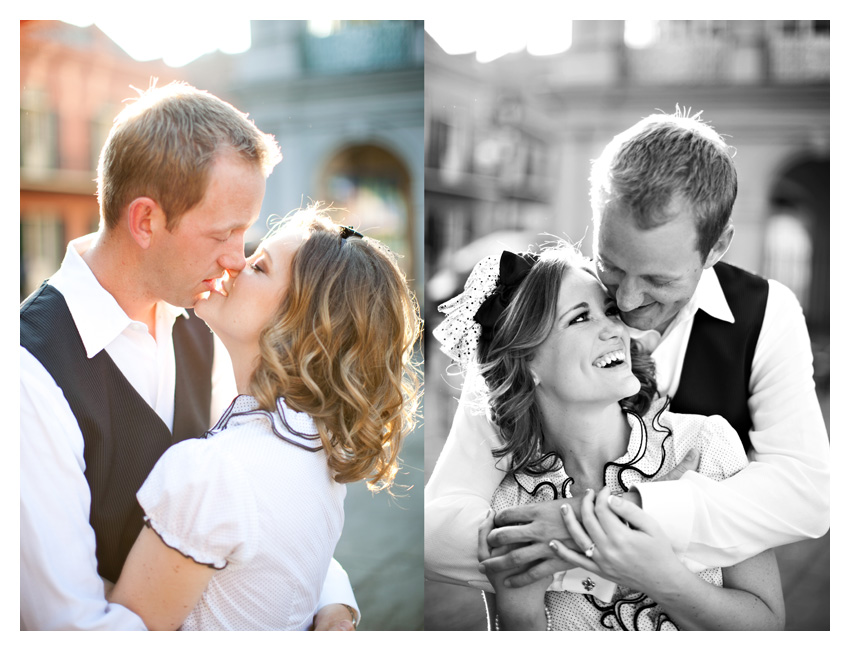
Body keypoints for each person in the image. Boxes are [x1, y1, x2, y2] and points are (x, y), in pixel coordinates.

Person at [424, 109, 829, 595]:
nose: (629, 302)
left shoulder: (768, 314)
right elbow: (437, 527)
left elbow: (806, 495)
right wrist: (570, 547)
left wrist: (606, 518)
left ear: (717, 246)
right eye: (610, 266)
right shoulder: (533, 319)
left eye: (659, 280)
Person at [20, 82, 357, 630]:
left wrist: (329, 597)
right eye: (224, 233)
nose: (237, 260)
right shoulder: (28, 375)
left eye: (245, 232)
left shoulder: (210, 320)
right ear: (147, 220)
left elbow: (262, 496)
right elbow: (71, 628)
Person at [107, 209, 421, 630]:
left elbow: (127, 631)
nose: (234, 263)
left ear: (300, 324)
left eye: (259, 266)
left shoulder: (216, 471)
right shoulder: (320, 450)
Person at [449, 245, 784, 630]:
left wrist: (660, 577)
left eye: (609, 312)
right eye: (580, 319)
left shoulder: (705, 445)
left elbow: (769, 626)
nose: (614, 328)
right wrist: (519, 609)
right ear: (527, 363)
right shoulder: (511, 509)